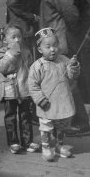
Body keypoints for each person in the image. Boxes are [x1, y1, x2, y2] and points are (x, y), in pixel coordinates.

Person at [26, 0, 90, 136]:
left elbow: (71, 14)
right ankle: (71, 121)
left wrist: (69, 36)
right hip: (56, 43)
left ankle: (79, 122)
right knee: (63, 83)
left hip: (61, 43)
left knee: (68, 84)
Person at [28, 27, 80, 161]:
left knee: (61, 126)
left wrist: (73, 66)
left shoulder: (64, 60)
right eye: (48, 46)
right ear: (40, 49)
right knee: (46, 126)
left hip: (62, 101)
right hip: (46, 104)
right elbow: (32, 86)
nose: (53, 49)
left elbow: (72, 76)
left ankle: (58, 145)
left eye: (55, 45)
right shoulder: (37, 66)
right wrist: (40, 100)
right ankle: (46, 147)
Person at [0, 24, 40, 154]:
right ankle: (13, 142)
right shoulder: (1, 53)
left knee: (26, 116)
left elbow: (31, 68)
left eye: (19, 37)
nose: (17, 40)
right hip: (9, 91)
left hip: (24, 89)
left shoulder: (26, 52)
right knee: (10, 117)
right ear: (5, 40)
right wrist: (12, 53)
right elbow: (1, 67)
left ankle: (27, 141)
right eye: (13, 37)